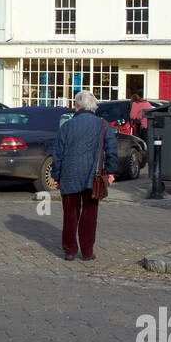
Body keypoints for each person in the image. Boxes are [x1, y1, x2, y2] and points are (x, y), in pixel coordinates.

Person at [52, 90, 118, 261]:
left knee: (70, 214)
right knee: (89, 215)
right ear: (93, 106)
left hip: (69, 176)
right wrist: (110, 172)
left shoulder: (66, 126)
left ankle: (70, 251)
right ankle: (87, 252)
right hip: (93, 177)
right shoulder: (102, 125)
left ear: (77, 106)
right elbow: (112, 149)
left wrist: (56, 176)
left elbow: (58, 154)